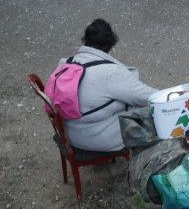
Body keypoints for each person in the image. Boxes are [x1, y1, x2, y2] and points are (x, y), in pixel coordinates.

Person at [58, 19, 158, 154]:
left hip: (68, 133)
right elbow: (147, 97)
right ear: (110, 44)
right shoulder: (110, 73)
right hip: (92, 139)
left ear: (85, 40)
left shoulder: (65, 64)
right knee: (152, 117)